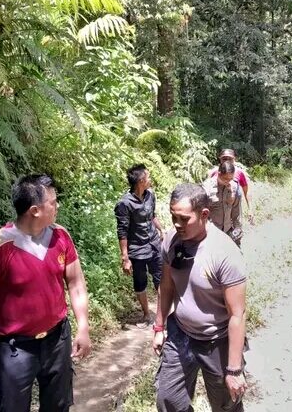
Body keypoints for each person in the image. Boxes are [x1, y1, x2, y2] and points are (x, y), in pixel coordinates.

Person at [0, 174, 91, 411]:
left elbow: (76, 283)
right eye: (53, 202)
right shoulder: (0, 245)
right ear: (35, 210)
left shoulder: (60, 236)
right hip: (15, 349)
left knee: (58, 406)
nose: (57, 205)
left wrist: (83, 327)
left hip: (57, 340)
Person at [153, 183, 248, 412]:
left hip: (217, 340)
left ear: (204, 214)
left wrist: (234, 370)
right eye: (173, 217)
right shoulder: (171, 240)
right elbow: (166, 287)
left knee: (226, 405)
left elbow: (237, 314)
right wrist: (159, 327)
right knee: (168, 400)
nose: (177, 224)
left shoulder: (224, 253)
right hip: (181, 335)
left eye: (184, 219)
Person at [114, 164, 164, 326]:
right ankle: (146, 314)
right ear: (141, 181)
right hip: (137, 250)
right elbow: (122, 230)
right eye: (148, 177)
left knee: (160, 279)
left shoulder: (150, 196)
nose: (150, 180)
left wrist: (161, 229)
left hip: (154, 244)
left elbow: (152, 215)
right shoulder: (124, 204)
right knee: (140, 282)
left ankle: (162, 315)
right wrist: (125, 257)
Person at [203, 161, 244, 246]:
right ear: (219, 173)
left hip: (228, 231)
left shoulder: (235, 187)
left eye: (231, 179)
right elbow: (201, 213)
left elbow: (236, 211)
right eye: (225, 179)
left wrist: (237, 228)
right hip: (211, 233)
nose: (228, 182)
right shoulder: (207, 188)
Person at [209, 149, 253, 224]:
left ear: (234, 159)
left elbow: (246, 191)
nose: (227, 161)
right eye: (224, 158)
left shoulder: (240, 173)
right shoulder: (213, 172)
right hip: (217, 211)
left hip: (234, 210)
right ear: (220, 159)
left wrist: (250, 209)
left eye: (230, 159)